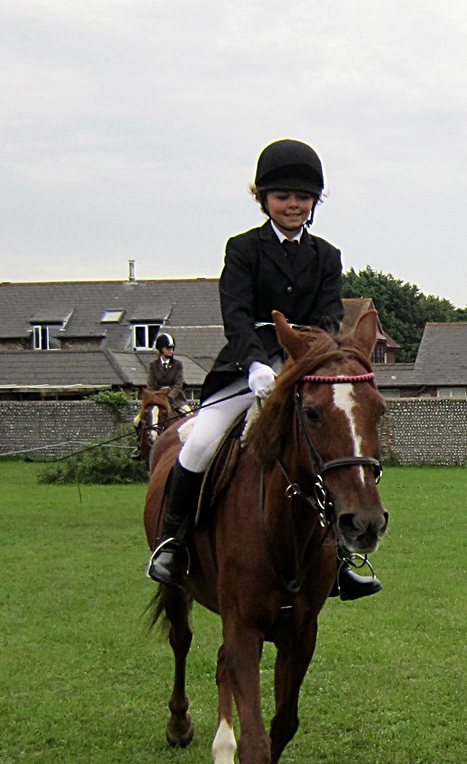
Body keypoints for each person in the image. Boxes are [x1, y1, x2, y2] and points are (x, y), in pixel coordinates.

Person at [147, 139, 382, 601]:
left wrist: (305, 360)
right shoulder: (243, 249)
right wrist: (255, 361)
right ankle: (173, 544)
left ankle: (339, 562)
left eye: (303, 196)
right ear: (264, 199)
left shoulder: (326, 255)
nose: (293, 204)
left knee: (331, 453)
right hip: (245, 368)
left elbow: (329, 319)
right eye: (282, 196)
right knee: (200, 443)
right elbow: (235, 313)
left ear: (314, 202)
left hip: (306, 368)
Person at [146, 332, 188, 410]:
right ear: (161, 349)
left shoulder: (177, 364)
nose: (171, 350)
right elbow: (150, 384)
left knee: (188, 412)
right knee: (142, 416)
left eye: (172, 348)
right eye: (168, 348)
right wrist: (154, 397)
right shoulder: (153, 365)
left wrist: (170, 397)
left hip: (175, 400)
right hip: (158, 399)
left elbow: (178, 384)